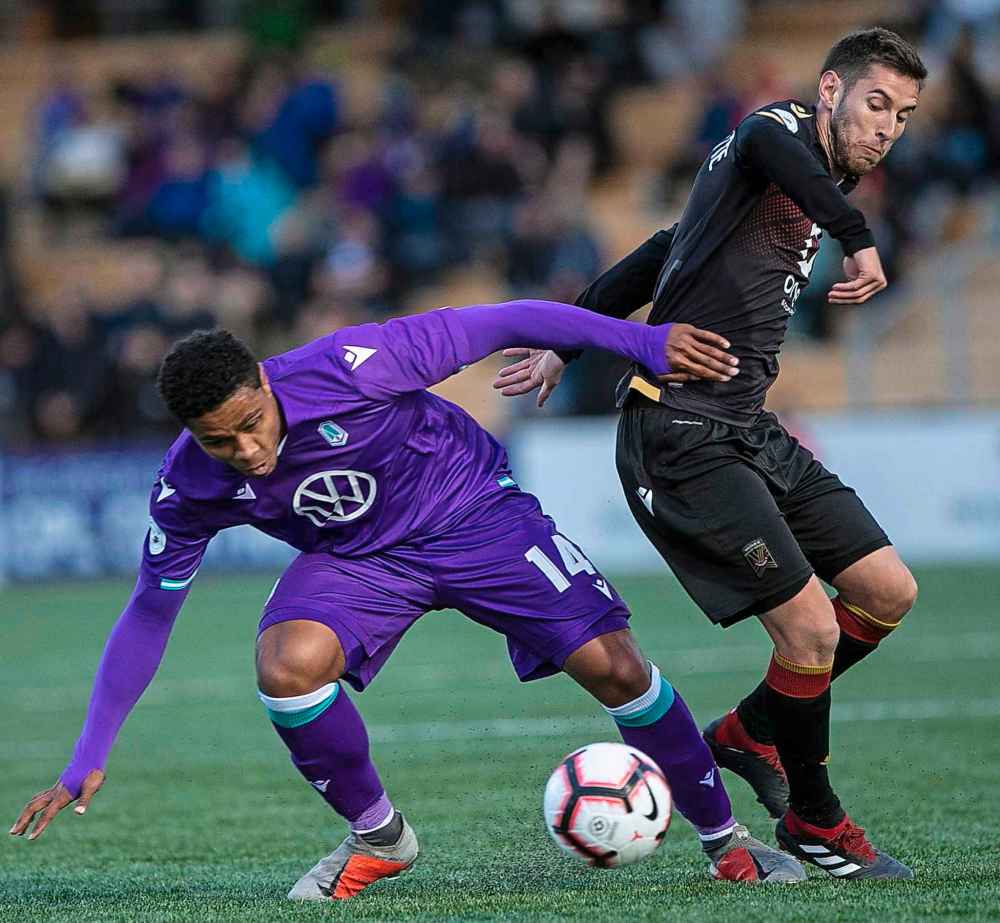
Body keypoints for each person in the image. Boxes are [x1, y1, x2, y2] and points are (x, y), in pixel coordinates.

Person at [9, 299, 805, 899]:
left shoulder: (353, 365)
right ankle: (380, 837)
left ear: (264, 381)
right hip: (362, 561)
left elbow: (507, 318)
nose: (245, 451)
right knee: (286, 665)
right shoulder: (188, 483)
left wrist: (646, 342)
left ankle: (725, 840)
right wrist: (90, 750)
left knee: (617, 667)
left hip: (471, 512)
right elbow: (150, 608)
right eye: (221, 440)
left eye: (251, 423)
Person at [494, 28, 926, 880]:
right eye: (877, 104)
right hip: (677, 434)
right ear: (831, 91)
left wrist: (568, 341)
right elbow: (770, 136)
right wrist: (857, 232)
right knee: (807, 627)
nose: (888, 129)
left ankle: (748, 730)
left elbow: (663, 250)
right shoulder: (777, 135)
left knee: (886, 591)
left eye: (905, 117)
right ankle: (814, 820)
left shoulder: (788, 184)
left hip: (746, 425)